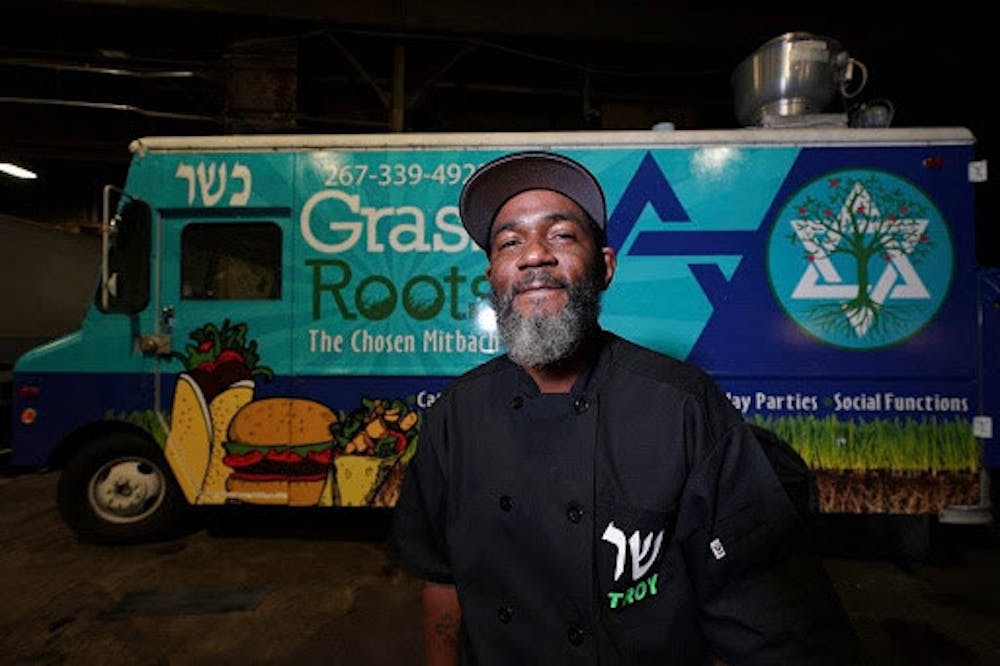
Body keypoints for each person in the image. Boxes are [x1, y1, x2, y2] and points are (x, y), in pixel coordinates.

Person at [388, 151, 861, 665]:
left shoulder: (683, 406)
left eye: (562, 235)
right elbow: (440, 581)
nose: (534, 255)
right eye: (509, 242)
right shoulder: (456, 415)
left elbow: (754, 615)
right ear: (493, 277)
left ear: (605, 267)